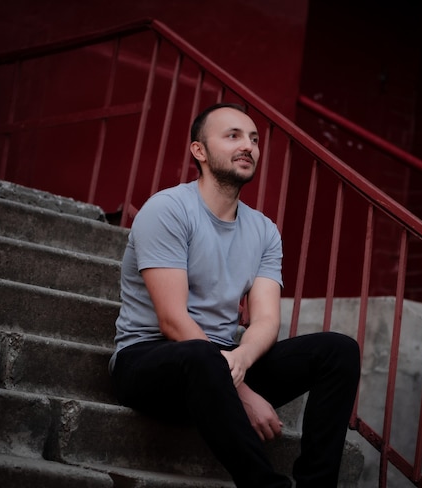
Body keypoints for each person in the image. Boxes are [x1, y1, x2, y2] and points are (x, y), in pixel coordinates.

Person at [109, 103, 360, 487]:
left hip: (222, 364)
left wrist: (241, 359)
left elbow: (266, 320)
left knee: (338, 351)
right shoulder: (168, 210)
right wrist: (241, 390)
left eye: (254, 139)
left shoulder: (263, 231)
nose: (248, 146)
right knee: (200, 354)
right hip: (151, 363)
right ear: (200, 151)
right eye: (233, 136)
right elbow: (173, 321)